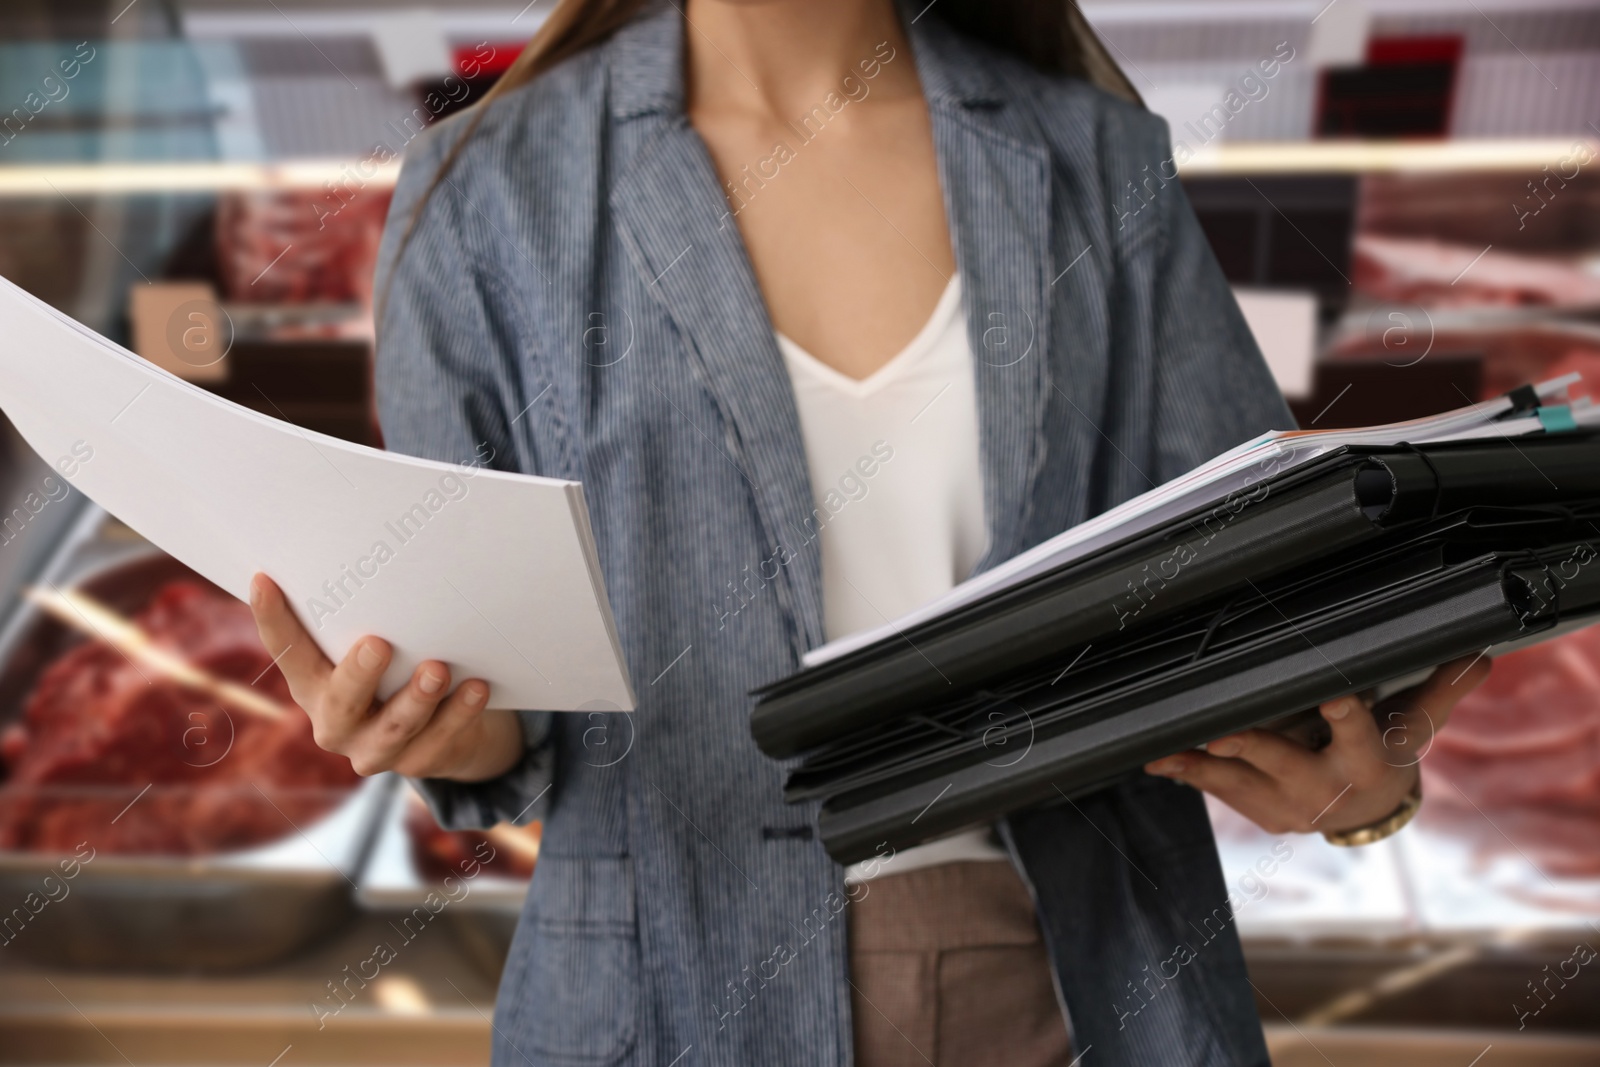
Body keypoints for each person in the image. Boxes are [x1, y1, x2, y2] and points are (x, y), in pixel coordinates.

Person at [248, 1, 1490, 1063]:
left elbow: (1271, 570)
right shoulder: (487, 192)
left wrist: (1356, 775)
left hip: (1086, 983)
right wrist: (443, 728)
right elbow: (482, 689)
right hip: (665, 996)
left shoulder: (1098, 157)